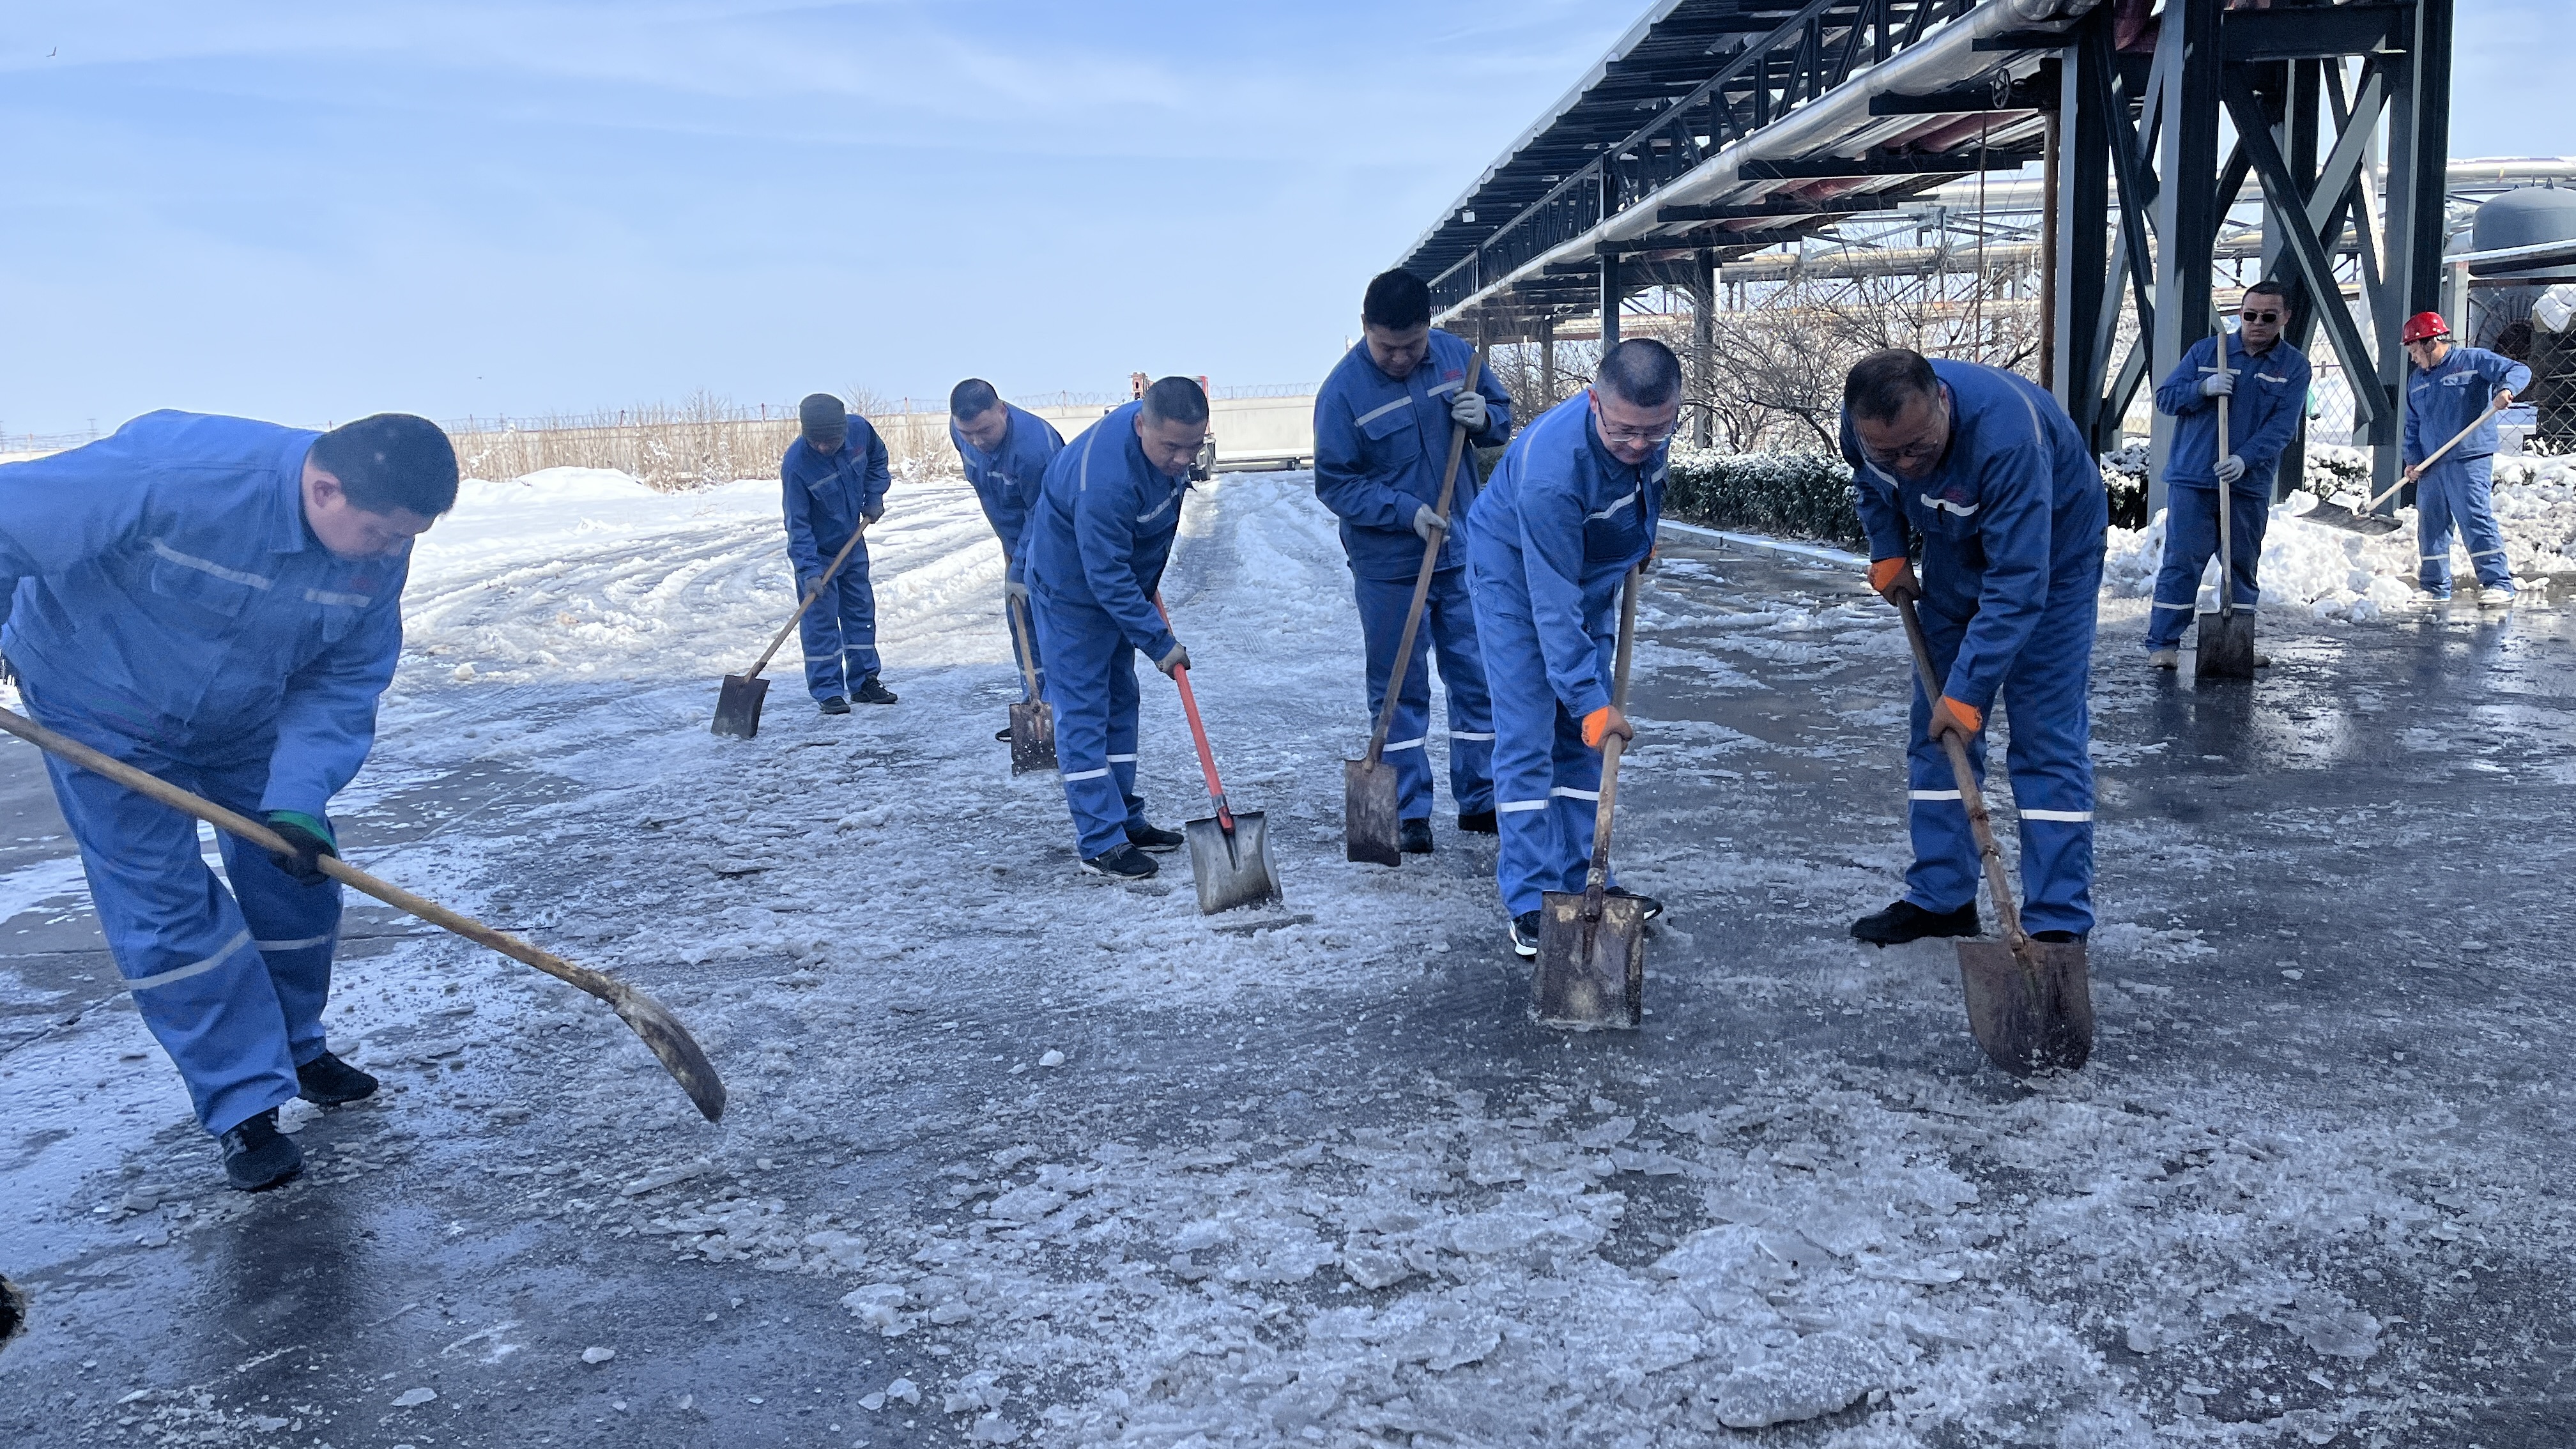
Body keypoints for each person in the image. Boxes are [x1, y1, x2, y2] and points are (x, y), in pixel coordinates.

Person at [0, 410, 456, 1190]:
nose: (394, 553)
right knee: (166, 909)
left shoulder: (379, 555)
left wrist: (300, 799)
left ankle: (297, 1047)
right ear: (324, 488)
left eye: (408, 538)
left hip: (249, 716)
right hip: (100, 712)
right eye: (383, 534)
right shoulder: (176, 470)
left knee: (295, 876)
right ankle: (244, 1105)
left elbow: (342, 681)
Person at [1841, 349, 2108, 947]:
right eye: (1890, 453)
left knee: (2046, 733)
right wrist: (1888, 549)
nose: (1906, 465)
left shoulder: (2007, 437)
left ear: (1942, 401)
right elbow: (1870, 480)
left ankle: (2058, 920)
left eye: (1919, 448)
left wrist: (1968, 693)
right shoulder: (1865, 426)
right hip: (1953, 547)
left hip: (2051, 559)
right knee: (1936, 730)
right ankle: (1942, 898)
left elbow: (2018, 583)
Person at [1467, 339, 1675, 957]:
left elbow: (1642, 489)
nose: (1639, 445)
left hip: (1593, 572)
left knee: (1586, 741)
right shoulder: (1551, 472)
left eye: (1655, 431)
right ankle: (1532, 901)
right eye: (1623, 432)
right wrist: (1588, 698)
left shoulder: (1647, 434)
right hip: (1515, 580)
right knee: (1533, 734)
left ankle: (1587, 880)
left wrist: (1638, 541)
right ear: (1593, 402)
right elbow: (1551, 606)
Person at [1314, 269, 1513, 854]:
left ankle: (1482, 798)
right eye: (1387, 347)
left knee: (1476, 676)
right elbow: (1335, 483)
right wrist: (1404, 511)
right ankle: (1408, 811)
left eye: (1412, 345)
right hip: (1389, 564)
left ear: (1429, 329)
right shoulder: (1342, 393)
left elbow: (1500, 417)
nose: (1401, 358)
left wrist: (1488, 419)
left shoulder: (1458, 360)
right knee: (1399, 687)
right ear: (1365, 332)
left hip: (1461, 553)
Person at [1022, 378, 1209, 878]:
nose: (1181, 459)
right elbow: (1104, 574)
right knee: (1084, 710)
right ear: (1140, 424)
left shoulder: (1164, 448)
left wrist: (1145, 590)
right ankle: (1100, 840)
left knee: (1121, 700)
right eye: (1171, 447)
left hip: (1119, 585)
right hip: (1071, 595)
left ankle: (1124, 817)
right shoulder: (1104, 480)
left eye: (1194, 446)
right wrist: (1159, 642)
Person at [2142, 279, 2311, 668]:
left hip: (2247, 485)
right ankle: (2163, 643)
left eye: (2269, 317)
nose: (2257, 323)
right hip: (2194, 479)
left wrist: (2245, 459)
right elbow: (2166, 398)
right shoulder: (2207, 352)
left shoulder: (2293, 368)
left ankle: (2239, 642)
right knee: (2182, 561)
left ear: (2284, 318)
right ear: (2240, 313)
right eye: (2250, 314)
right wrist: (2201, 389)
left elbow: (2282, 427)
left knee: (2241, 567)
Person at [950, 378, 1066, 740]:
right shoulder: (961, 432)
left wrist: (1021, 566)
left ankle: (1061, 713)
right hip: (1013, 539)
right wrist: (1008, 546)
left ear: (1003, 409)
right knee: (1021, 628)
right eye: (969, 434)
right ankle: (1034, 709)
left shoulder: (1035, 449)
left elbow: (1042, 515)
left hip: (1054, 540)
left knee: (1051, 625)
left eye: (985, 430)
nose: (977, 441)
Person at [2399, 311, 2531, 604]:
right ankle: (2434, 587)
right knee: (2431, 526)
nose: (2413, 358)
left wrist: (2505, 390)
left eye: (2414, 350)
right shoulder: (2417, 381)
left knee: (2474, 518)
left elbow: (2519, 371)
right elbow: (2412, 424)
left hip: (2469, 458)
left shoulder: (2473, 361)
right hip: (2431, 464)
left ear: (2430, 342)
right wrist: (2412, 460)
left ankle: (2498, 584)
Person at [782, 393, 894, 712]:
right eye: (815, 440)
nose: (822, 447)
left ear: (843, 430)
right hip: (817, 553)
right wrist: (808, 571)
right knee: (820, 623)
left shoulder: (860, 432)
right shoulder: (797, 465)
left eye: (830, 440)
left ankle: (865, 682)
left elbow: (878, 457)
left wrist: (874, 494)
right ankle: (828, 690)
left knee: (861, 612)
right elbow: (798, 523)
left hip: (852, 541)